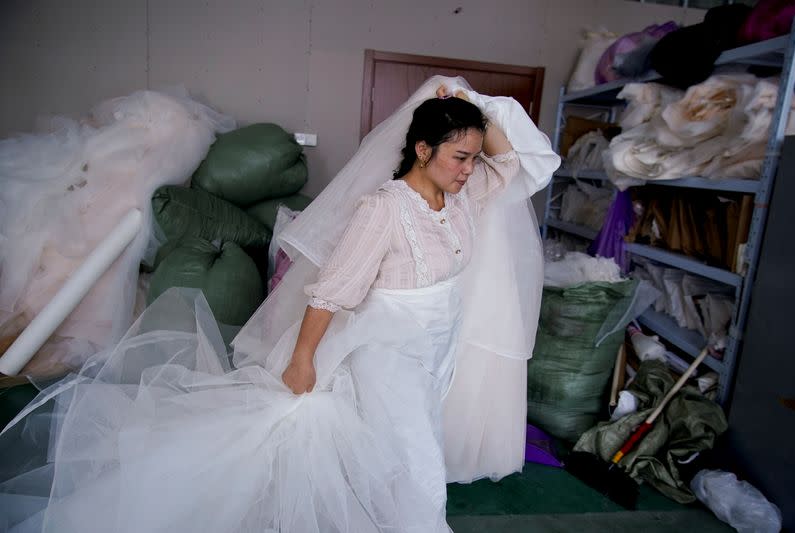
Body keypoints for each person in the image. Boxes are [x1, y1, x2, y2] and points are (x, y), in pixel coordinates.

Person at [0, 77, 559, 533]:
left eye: (471, 156)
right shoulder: (384, 210)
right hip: (386, 353)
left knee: (401, 446)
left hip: (433, 348)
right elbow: (333, 290)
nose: (469, 168)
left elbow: (515, 166)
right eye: (459, 157)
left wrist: (474, 107)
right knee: (417, 459)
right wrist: (302, 359)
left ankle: (382, 510)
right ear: (421, 149)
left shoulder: (460, 198)